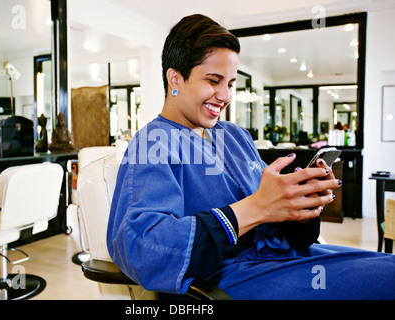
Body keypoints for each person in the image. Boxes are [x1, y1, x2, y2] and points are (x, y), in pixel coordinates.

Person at [107, 14, 395, 299]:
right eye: (213, 80)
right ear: (175, 78)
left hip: (288, 256)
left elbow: (274, 215)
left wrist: (299, 204)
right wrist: (255, 209)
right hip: (233, 277)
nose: (225, 95)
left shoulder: (235, 136)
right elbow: (142, 247)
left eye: (230, 83)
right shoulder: (153, 142)